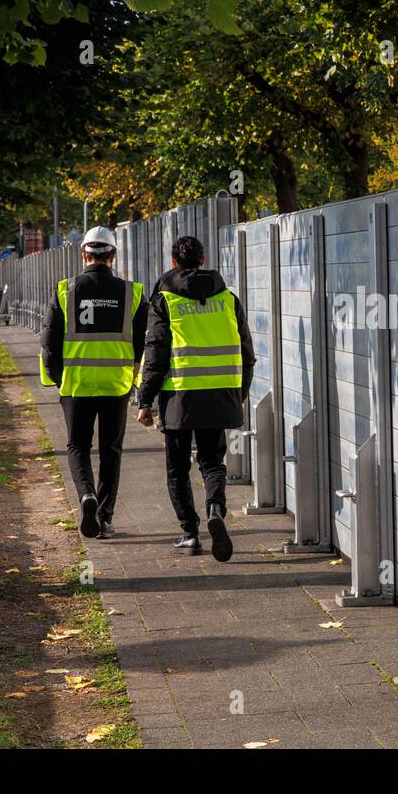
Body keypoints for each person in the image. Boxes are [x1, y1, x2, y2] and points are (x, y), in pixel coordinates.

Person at [137, 235, 254, 562]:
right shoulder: (228, 299)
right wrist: (239, 393)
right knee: (212, 462)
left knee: (177, 468)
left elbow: (156, 354)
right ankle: (215, 508)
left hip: (179, 396)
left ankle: (190, 533)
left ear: (174, 262)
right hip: (219, 393)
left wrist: (144, 399)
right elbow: (248, 353)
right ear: (203, 260)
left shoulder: (164, 300)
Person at [40, 227, 147, 540]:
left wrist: (59, 378)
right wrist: (136, 381)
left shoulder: (64, 290)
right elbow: (144, 342)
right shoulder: (133, 293)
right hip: (116, 385)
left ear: (83, 255)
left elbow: (49, 342)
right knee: (111, 450)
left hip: (76, 386)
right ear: (112, 256)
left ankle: (86, 495)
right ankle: (105, 516)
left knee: (77, 446)